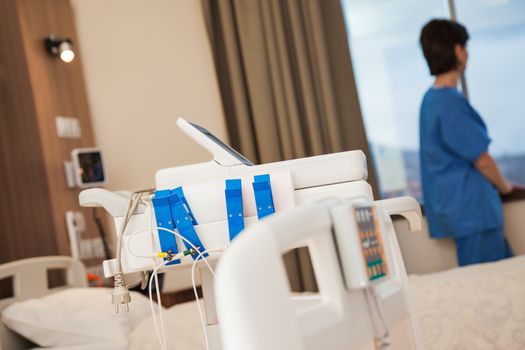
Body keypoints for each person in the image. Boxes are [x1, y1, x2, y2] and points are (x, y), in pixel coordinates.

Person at [419, 19, 516, 266]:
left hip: (464, 213)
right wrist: (505, 186)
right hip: (474, 213)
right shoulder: (448, 102)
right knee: (490, 291)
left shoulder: (430, 101)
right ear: (458, 50)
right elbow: (482, 160)